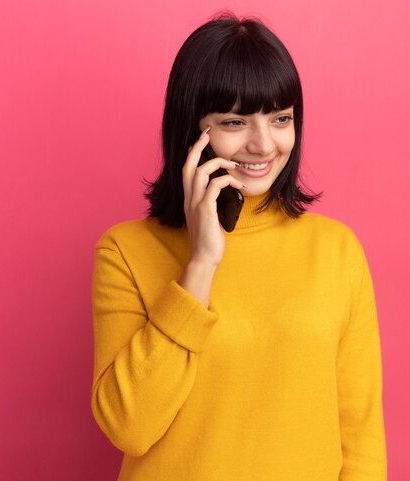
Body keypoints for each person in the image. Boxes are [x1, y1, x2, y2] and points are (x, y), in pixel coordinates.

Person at [91, 12, 387, 481]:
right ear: (193, 130)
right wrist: (201, 263)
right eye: (235, 121)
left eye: (280, 118)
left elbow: (361, 436)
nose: (264, 144)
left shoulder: (336, 252)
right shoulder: (124, 252)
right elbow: (129, 427)